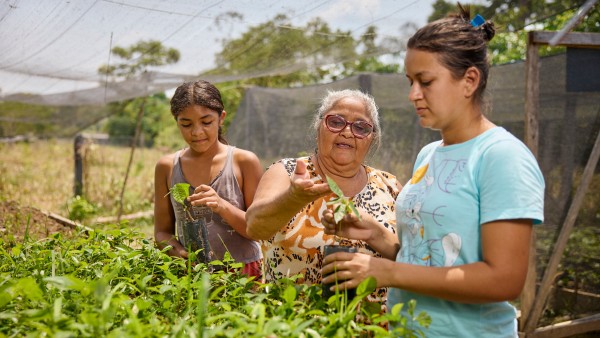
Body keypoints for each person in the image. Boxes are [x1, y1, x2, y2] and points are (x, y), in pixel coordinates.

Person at [320, 4, 545, 337]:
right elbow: (427, 262)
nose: (413, 94)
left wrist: (387, 273)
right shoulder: (429, 154)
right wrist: (376, 236)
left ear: (469, 80)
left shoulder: (501, 156)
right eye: (410, 81)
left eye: (425, 82)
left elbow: (505, 280)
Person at [245, 89, 401, 307]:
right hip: (295, 324)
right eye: (336, 122)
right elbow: (254, 227)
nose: (347, 132)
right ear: (318, 127)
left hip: (376, 327)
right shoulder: (288, 172)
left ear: (372, 137)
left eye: (361, 127)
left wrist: (376, 233)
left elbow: (411, 259)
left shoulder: (389, 185)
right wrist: (293, 197)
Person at [154, 80, 263, 278]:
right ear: (177, 122)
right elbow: (162, 232)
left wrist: (221, 205)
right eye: (186, 124)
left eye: (206, 122)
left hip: (243, 274)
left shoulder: (244, 161)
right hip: (192, 274)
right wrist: (179, 253)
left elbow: (258, 229)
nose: (197, 132)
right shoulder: (167, 166)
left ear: (221, 118)